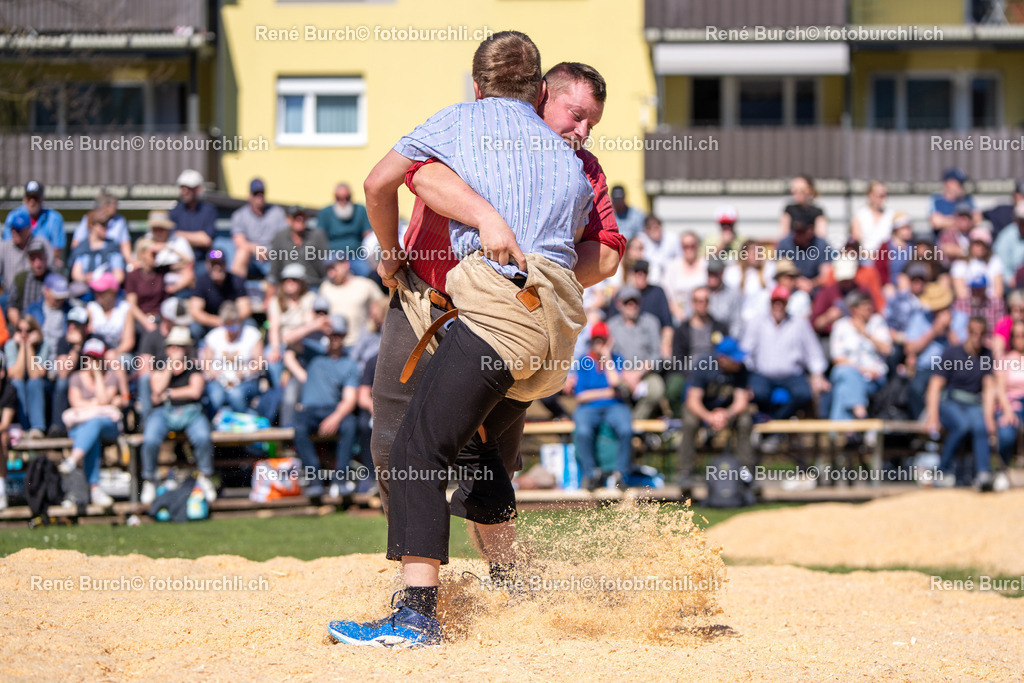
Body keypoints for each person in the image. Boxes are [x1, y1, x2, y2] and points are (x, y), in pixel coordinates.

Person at [331, 34, 597, 647]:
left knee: (415, 451)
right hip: (553, 333)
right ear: (538, 94)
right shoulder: (571, 160)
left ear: (475, 87)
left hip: (495, 315)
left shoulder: (458, 121)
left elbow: (380, 184)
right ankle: (511, 582)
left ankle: (416, 612)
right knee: (477, 450)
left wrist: (393, 254)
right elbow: (588, 248)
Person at [368, 57, 621, 576]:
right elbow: (419, 177)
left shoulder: (583, 166)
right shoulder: (477, 133)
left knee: (488, 459)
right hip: (425, 303)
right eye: (576, 114)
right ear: (539, 95)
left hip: (505, 320)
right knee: (395, 443)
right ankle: (417, 576)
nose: (583, 129)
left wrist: (535, 267)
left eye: (593, 121)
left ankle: (505, 578)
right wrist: (481, 221)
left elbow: (611, 252)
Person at [140, 326, 216, 505]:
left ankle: (205, 476)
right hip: (163, 412)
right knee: (150, 439)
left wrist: (169, 394)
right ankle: (150, 479)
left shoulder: (193, 366)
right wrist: (169, 366)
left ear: (186, 348)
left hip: (190, 411)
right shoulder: (160, 365)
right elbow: (157, 390)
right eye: (172, 346)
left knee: (203, 437)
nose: (175, 350)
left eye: (180, 346)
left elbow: (195, 392)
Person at [289, 315, 359, 499]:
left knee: (350, 425)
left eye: (339, 334)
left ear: (344, 336)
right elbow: (287, 339)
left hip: (333, 410)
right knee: (299, 426)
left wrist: (335, 417)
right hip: (309, 410)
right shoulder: (314, 352)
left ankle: (341, 480)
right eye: (332, 334)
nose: (335, 338)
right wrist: (314, 325)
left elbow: (350, 399)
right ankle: (314, 480)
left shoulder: (349, 363)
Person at [924, 316, 995, 490]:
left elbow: (988, 388)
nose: (976, 336)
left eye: (981, 332)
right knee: (962, 425)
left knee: (980, 426)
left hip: (973, 403)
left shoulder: (987, 355)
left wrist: (989, 417)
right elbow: (934, 386)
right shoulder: (952, 353)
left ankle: (983, 474)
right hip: (951, 402)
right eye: (973, 331)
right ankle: (943, 471)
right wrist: (932, 417)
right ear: (967, 331)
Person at [678, 337, 753, 495]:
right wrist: (709, 417)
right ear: (723, 359)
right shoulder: (704, 364)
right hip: (702, 409)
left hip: (727, 410)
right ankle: (686, 473)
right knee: (690, 422)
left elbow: (741, 401)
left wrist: (727, 414)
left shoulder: (741, 369)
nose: (739, 362)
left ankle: (746, 472)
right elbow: (692, 400)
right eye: (735, 359)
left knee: (745, 420)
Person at [741, 286, 829, 420]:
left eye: (782, 302)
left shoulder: (799, 323)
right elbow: (745, 351)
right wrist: (746, 376)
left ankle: (774, 422)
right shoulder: (757, 322)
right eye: (775, 302)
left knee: (805, 394)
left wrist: (817, 375)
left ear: (787, 303)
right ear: (770, 302)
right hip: (763, 374)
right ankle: (773, 424)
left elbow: (813, 352)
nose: (778, 306)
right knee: (758, 393)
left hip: (792, 375)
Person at [58, 338, 124, 508]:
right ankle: (95, 489)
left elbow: (102, 400)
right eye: (88, 357)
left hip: (107, 427)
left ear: (102, 359)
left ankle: (73, 460)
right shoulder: (76, 377)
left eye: (95, 358)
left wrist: (97, 375)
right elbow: (76, 403)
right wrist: (99, 405)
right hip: (82, 429)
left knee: (94, 423)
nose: (91, 362)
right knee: (92, 433)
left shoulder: (110, 377)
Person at [567, 322, 633, 491]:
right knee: (583, 431)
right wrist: (609, 393)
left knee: (626, 429)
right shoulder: (584, 360)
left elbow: (615, 382)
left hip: (614, 406)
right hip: (589, 407)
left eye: (602, 340)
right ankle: (591, 475)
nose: (599, 344)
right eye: (596, 340)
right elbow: (580, 396)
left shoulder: (616, 358)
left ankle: (621, 474)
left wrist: (607, 356)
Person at [904, 282, 968, 419]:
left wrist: (949, 329)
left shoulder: (961, 318)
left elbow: (965, 351)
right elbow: (910, 348)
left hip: (953, 367)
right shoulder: (920, 317)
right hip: (926, 366)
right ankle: (922, 426)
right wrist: (933, 331)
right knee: (914, 389)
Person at [828, 290, 892, 421]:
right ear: (853, 309)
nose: (868, 308)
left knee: (842, 389)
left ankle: (841, 432)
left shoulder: (877, 322)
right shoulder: (841, 326)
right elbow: (837, 359)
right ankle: (860, 410)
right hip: (852, 371)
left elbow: (887, 349)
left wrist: (866, 334)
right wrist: (860, 370)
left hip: (874, 378)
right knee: (847, 373)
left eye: (869, 305)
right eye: (864, 306)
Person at [607, 285, 665, 419]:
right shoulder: (611, 326)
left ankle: (635, 422)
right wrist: (625, 374)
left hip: (645, 373)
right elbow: (609, 355)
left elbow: (656, 354)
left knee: (656, 390)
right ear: (619, 304)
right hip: (621, 374)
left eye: (635, 302)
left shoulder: (651, 322)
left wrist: (639, 373)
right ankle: (623, 422)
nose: (631, 305)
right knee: (614, 389)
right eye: (627, 302)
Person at [202, 301, 264, 415]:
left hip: (246, 380)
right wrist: (216, 374)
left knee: (236, 395)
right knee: (216, 397)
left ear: (240, 321)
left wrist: (243, 373)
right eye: (227, 325)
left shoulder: (252, 334)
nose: (230, 330)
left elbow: (259, 362)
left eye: (234, 326)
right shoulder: (213, 336)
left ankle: (244, 420)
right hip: (219, 380)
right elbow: (206, 363)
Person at [137, 297, 192, 420]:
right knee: (145, 380)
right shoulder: (152, 337)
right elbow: (144, 368)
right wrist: (160, 381)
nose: (183, 324)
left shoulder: (188, 336)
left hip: (183, 379)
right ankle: (148, 422)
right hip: (158, 381)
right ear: (166, 318)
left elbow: (194, 364)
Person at [318, 256, 386, 347]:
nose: (331, 274)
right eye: (328, 270)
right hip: (335, 345)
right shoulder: (326, 287)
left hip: (363, 343)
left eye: (333, 268)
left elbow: (384, 305)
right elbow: (318, 315)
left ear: (346, 264)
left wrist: (375, 322)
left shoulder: (365, 284)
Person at [230, 177, 286, 279]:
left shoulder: (277, 212)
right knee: (242, 252)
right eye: (256, 194)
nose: (259, 197)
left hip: (273, 256)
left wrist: (269, 252)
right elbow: (238, 241)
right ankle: (235, 290)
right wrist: (254, 248)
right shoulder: (239, 215)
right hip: (251, 259)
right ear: (249, 195)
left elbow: (284, 238)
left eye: (262, 193)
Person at [4, 314, 48, 438]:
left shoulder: (44, 344)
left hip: (43, 390)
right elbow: (16, 375)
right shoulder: (11, 345)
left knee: (34, 383)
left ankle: (37, 429)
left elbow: (36, 374)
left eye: (28, 331)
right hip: (18, 388)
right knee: (17, 384)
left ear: (35, 331)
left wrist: (29, 346)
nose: (23, 334)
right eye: (19, 330)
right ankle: (22, 428)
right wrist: (23, 346)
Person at [188, 250, 251, 336]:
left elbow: (245, 309)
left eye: (220, 263)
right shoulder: (201, 281)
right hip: (209, 323)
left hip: (233, 321)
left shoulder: (236, 280)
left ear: (225, 264)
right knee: (195, 328)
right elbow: (196, 312)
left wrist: (230, 321)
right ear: (207, 265)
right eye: (214, 263)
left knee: (250, 324)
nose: (217, 267)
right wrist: (217, 321)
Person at [49, 306, 91, 437]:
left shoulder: (94, 339)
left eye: (76, 324)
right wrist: (76, 348)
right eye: (70, 323)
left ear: (85, 326)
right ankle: (57, 428)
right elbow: (63, 372)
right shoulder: (64, 341)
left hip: (90, 379)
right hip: (71, 381)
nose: (72, 327)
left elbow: (97, 368)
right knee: (62, 383)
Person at [267, 206, 329, 291]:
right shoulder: (280, 237)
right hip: (288, 286)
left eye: (303, 217)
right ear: (288, 219)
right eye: (296, 217)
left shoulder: (317, 235)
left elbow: (325, 264)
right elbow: (274, 267)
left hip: (312, 285)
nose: (300, 220)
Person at [317, 183, 374, 277]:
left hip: (356, 254)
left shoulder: (360, 210)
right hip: (334, 255)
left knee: (368, 274)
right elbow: (319, 236)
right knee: (331, 275)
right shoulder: (325, 212)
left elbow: (368, 234)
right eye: (339, 198)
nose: (343, 201)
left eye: (346, 197)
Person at [993, 319, 1024, 489]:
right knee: (1005, 434)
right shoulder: (1004, 360)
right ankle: (1002, 470)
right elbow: (1000, 389)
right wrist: (1007, 411)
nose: (1020, 339)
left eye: (1023, 335)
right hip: (1011, 404)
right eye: (1016, 336)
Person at [2, 181, 65, 263]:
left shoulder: (55, 218)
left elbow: (56, 251)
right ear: (24, 199)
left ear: (42, 199)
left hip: (43, 264)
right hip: (16, 263)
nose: (32, 202)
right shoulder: (13, 217)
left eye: (36, 198)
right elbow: (8, 246)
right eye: (29, 198)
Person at [626, 260, 673, 359]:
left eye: (644, 272)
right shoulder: (625, 294)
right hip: (629, 343)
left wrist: (665, 344)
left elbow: (667, 324)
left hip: (653, 342)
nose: (641, 275)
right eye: (638, 272)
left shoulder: (658, 292)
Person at [168, 169, 217, 263]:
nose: (184, 191)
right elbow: (170, 238)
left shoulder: (208, 210)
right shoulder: (174, 211)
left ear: (198, 189)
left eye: (188, 187)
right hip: (179, 260)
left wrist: (180, 235)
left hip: (202, 260)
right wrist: (197, 238)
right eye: (182, 187)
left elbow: (206, 240)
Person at [69, 210, 126, 290]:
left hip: (108, 292)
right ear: (91, 226)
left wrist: (103, 281)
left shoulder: (113, 247)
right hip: (86, 292)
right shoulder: (81, 248)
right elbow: (76, 275)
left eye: (107, 224)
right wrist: (86, 278)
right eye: (103, 224)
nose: (106, 227)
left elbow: (119, 276)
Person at [5, 235, 54, 328]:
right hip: (24, 326)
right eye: (33, 259)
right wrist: (22, 327)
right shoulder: (21, 278)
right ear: (28, 260)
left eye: (40, 257)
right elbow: (11, 307)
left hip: (49, 325)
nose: (37, 263)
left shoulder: (55, 278)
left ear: (46, 257)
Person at [1, 217, 53, 302]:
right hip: (10, 291)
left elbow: (51, 267)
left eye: (18, 230)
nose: (14, 232)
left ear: (28, 230)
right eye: (12, 229)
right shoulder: (4, 246)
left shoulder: (40, 242)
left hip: (38, 287)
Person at [70, 191, 131, 264]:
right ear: (104, 206)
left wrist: (130, 262)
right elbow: (76, 244)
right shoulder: (89, 218)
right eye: (114, 204)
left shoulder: (120, 220)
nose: (117, 207)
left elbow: (125, 244)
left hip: (111, 259)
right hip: (90, 258)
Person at [144, 209, 195, 296]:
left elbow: (189, 262)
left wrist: (168, 248)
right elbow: (142, 265)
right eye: (155, 229)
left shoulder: (179, 241)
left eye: (161, 229)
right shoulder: (145, 241)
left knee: (188, 272)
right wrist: (150, 252)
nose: (158, 232)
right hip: (152, 285)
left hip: (177, 287)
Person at [125, 238, 167, 338]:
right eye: (152, 253)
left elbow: (187, 262)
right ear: (142, 253)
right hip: (141, 320)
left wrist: (168, 247)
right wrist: (146, 322)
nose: (155, 256)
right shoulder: (133, 276)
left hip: (160, 318)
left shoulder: (161, 271)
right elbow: (132, 305)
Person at [663, 231, 708, 321]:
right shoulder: (672, 265)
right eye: (685, 246)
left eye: (692, 246)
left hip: (703, 314)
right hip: (679, 315)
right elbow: (667, 294)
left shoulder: (706, 264)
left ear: (698, 245)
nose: (689, 249)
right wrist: (679, 313)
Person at [86, 273, 133, 356]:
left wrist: (114, 353)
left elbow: (129, 341)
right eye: (96, 291)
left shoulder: (124, 308)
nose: (97, 294)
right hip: (95, 353)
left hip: (119, 353)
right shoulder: (91, 308)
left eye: (102, 292)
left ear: (112, 292)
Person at [951, 228, 1003, 302]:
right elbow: (960, 293)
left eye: (983, 244)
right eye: (977, 244)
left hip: (989, 303)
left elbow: (998, 292)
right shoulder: (959, 264)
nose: (980, 247)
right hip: (968, 305)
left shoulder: (995, 261)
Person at [776, 219, 831, 286]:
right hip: (791, 287)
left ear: (810, 230)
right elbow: (782, 273)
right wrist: (798, 282)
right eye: (796, 231)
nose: (797, 234)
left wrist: (811, 284)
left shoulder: (821, 244)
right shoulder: (785, 244)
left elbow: (825, 275)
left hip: (816, 289)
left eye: (801, 231)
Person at [929, 167, 979, 237]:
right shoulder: (936, 200)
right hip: (943, 242)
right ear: (948, 183)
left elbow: (977, 219)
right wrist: (962, 222)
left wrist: (946, 221)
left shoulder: (967, 199)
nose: (962, 187)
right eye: (959, 183)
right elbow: (936, 222)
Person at [850, 180, 894, 252]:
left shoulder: (890, 214)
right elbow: (856, 239)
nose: (881, 198)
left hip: (887, 255)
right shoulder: (860, 215)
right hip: (865, 255)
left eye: (883, 195)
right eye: (878, 194)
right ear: (869, 195)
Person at [779, 175, 827, 239]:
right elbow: (783, 235)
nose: (797, 194)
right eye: (795, 191)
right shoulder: (789, 210)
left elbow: (821, 235)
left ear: (809, 190)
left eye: (801, 191)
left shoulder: (817, 212)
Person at [636, 214, 679, 286]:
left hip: (671, 278)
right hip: (648, 281)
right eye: (652, 228)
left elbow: (679, 259)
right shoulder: (640, 241)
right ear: (646, 230)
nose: (656, 231)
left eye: (657, 227)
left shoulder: (672, 238)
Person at [706, 256, 742, 338]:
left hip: (725, 337)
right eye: (710, 273)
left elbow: (736, 322)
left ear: (722, 273)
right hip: (704, 338)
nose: (713, 277)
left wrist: (732, 339)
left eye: (716, 273)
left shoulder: (733, 294)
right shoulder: (701, 293)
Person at [993, 201, 1024, 287]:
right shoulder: (1006, 236)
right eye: (1022, 221)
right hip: (1013, 286)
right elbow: (1000, 263)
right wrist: (1010, 279)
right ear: (1016, 220)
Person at [0, 354, 16, 510]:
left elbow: (4, 424)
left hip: (9, 432)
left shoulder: (8, 389)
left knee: (2, 437)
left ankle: (1, 491)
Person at [992, 289, 1024, 357]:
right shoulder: (1004, 325)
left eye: (1022, 311)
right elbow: (998, 353)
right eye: (1015, 310)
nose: (1019, 315)